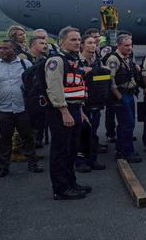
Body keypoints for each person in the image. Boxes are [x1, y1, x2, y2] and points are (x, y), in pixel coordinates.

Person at [45, 27, 92, 200]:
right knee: (61, 151)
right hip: (60, 110)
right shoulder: (57, 60)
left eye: (79, 39)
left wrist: (80, 111)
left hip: (74, 108)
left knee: (72, 150)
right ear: (62, 41)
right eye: (73, 39)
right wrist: (64, 112)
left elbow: (77, 87)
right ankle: (60, 189)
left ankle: (71, 183)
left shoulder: (75, 59)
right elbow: (55, 88)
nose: (77, 42)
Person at [0, 40, 42, 178]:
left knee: (27, 137)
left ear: (14, 50)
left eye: (6, 48)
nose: (1, 51)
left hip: (23, 108)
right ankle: (3, 167)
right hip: (3, 109)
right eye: (0, 48)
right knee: (5, 139)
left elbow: (34, 84)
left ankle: (33, 164)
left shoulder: (25, 64)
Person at [106, 34, 142, 163]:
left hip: (129, 93)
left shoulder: (127, 58)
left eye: (130, 45)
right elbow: (110, 81)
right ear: (118, 45)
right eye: (126, 45)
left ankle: (121, 150)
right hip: (121, 94)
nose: (129, 48)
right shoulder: (113, 60)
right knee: (127, 123)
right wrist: (119, 97)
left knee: (126, 124)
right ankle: (128, 152)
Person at [74, 35, 108, 172]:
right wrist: (83, 71)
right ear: (82, 45)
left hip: (95, 100)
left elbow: (103, 78)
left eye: (94, 43)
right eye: (89, 43)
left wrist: (96, 72)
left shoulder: (97, 61)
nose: (93, 45)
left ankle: (92, 159)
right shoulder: (76, 62)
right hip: (81, 103)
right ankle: (80, 161)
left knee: (93, 132)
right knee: (81, 133)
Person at [28, 36, 50, 148]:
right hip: (30, 97)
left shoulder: (45, 58)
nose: (45, 45)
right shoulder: (25, 59)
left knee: (41, 121)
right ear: (32, 45)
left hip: (41, 97)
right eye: (41, 43)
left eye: (46, 43)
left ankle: (37, 141)